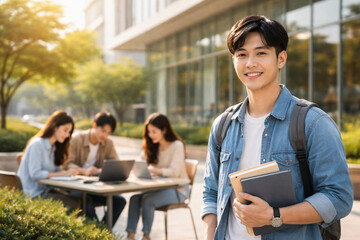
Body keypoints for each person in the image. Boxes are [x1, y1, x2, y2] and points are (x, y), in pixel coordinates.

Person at [201, 15, 353, 240]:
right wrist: (209, 234)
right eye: (242, 54)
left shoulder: (313, 123)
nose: (250, 63)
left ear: (281, 59)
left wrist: (274, 216)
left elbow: (338, 198)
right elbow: (211, 192)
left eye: (261, 53)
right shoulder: (223, 124)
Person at [126, 113, 190, 240]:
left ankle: (146, 236)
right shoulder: (151, 144)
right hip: (159, 187)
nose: (150, 135)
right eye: (149, 132)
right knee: (134, 199)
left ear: (164, 130)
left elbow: (175, 171)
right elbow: (140, 163)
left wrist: (156, 170)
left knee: (148, 200)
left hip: (178, 190)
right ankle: (130, 236)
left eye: (154, 131)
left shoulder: (177, 145)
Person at [64, 112, 126, 228]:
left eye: (108, 133)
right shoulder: (76, 139)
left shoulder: (108, 143)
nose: (105, 135)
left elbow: (115, 164)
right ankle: (99, 234)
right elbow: (67, 164)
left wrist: (100, 170)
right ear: (94, 125)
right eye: (103, 130)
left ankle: (101, 232)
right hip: (75, 187)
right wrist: (83, 171)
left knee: (119, 201)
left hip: (95, 187)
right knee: (86, 201)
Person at [17, 111, 81, 212]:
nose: (67, 135)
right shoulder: (37, 144)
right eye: (65, 130)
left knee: (81, 200)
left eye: (69, 132)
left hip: (45, 190)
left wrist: (67, 174)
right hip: (32, 194)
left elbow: (56, 172)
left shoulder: (55, 147)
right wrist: (62, 173)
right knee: (75, 203)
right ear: (55, 126)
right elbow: (35, 174)